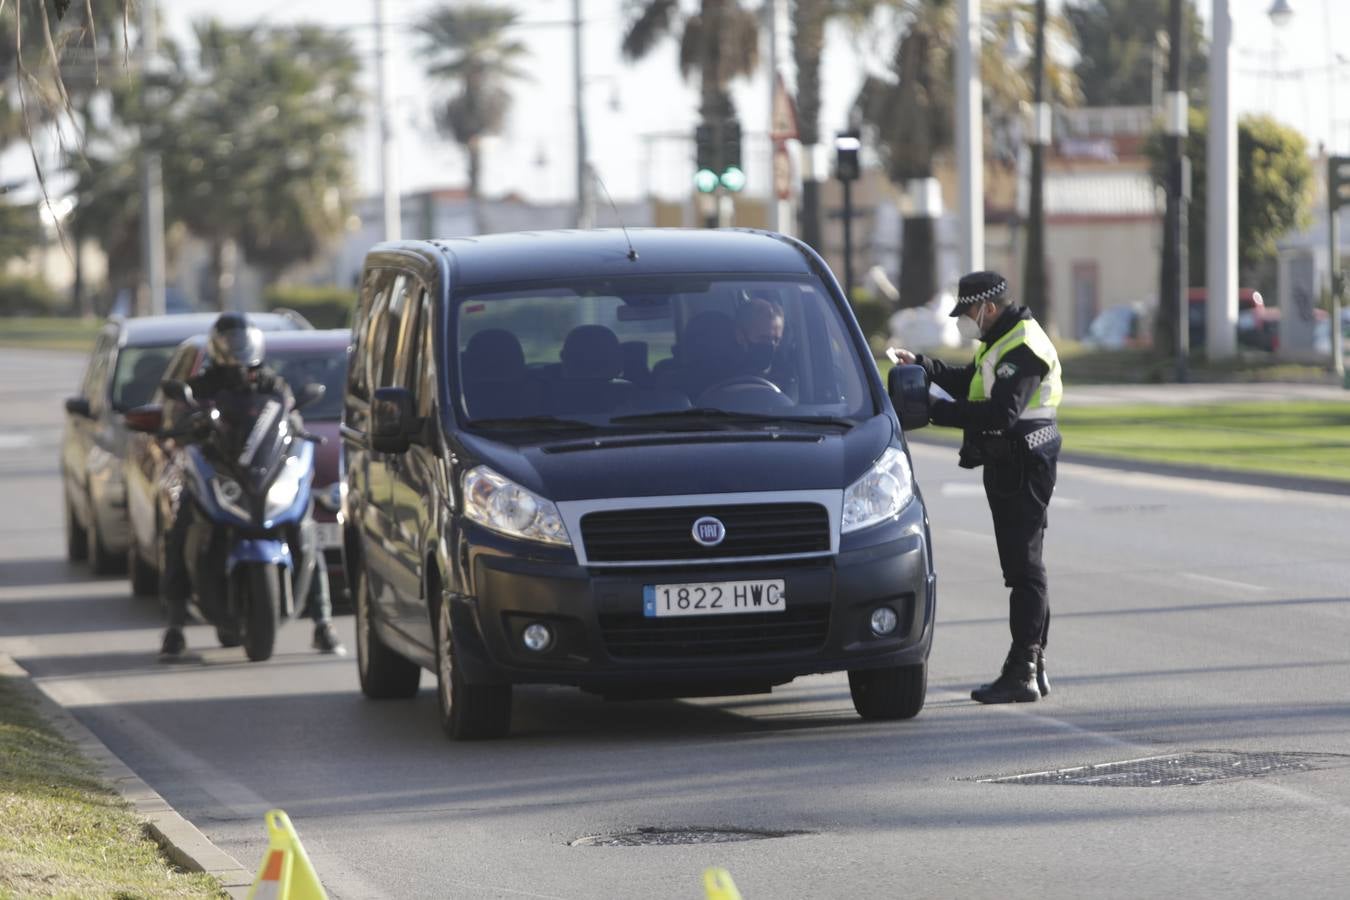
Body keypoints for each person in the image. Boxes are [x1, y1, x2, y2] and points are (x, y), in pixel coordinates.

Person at [892, 271, 1062, 703]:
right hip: (1015, 461)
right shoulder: (1001, 339)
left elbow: (1001, 413)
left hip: (1024, 461)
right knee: (1025, 567)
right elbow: (971, 380)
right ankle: (1034, 665)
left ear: (987, 307)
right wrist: (925, 367)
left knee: (1024, 569)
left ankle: (1023, 668)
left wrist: (935, 411)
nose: (966, 321)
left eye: (968, 312)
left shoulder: (1023, 345)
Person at [158, 313, 345, 660]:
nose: (238, 351)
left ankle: (323, 622)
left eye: (242, 343)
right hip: (218, 473)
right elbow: (178, 417)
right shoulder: (202, 385)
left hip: (264, 475)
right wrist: (186, 425)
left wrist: (296, 428)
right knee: (181, 529)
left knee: (305, 528)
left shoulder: (272, 384)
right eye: (231, 343)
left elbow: (290, 418)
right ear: (217, 346)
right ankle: (174, 625)